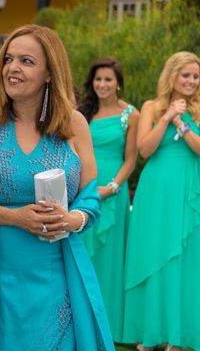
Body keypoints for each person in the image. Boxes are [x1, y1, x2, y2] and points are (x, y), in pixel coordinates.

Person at [0, 24, 114, 350]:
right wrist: (14, 217)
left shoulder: (74, 124)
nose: (13, 68)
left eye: (27, 61)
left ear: (49, 73)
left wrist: (73, 220)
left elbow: (89, 197)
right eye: (9, 59)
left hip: (54, 269)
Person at [123, 51, 200, 351]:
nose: (192, 81)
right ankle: (151, 332)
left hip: (189, 188)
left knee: (183, 258)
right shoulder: (151, 107)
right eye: (186, 75)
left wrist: (182, 123)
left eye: (196, 76)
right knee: (155, 255)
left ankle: (178, 337)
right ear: (172, 76)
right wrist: (167, 116)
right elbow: (144, 150)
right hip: (156, 190)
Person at [77, 57, 139, 340]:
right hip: (83, 189)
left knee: (110, 261)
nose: (102, 85)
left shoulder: (131, 115)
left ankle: (109, 327)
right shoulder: (83, 113)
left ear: (118, 83)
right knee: (84, 256)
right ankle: (82, 322)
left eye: (108, 80)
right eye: (98, 79)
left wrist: (112, 187)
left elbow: (131, 159)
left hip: (112, 193)